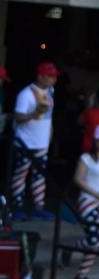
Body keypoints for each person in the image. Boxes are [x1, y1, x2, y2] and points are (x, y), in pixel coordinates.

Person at [11, 62, 59, 221]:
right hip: (25, 142)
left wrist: (50, 136)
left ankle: (39, 206)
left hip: (42, 143)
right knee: (20, 175)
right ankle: (16, 207)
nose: (53, 79)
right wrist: (34, 113)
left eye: (54, 77)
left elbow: (48, 118)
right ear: (40, 76)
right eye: (50, 76)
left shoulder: (50, 93)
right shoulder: (26, 94)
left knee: (39, 176)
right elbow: (18, 117)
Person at [70, 122, 99, 279]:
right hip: (88, 201)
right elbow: (78, 179)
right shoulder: (86, 158)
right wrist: (95, 193)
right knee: (94, 240)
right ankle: (71, 248)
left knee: (97, 242)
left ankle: (81, 274)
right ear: (94, 139)